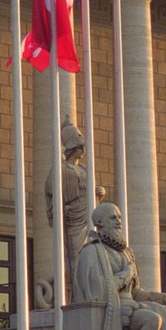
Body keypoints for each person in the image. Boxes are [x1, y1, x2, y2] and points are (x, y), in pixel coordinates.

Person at [74, 202, 166, 330]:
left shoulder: (126, 253)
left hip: (134, 306)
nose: (119, 222)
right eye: (113, 218)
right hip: (113, 309)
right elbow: (97, 293)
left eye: (120, 217)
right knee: (152, 320)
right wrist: (126, 274)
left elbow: (136, 293)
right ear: (99, 222)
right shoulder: (91, 251)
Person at [46, 121, 103, 292]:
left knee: (91, 255)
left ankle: (85, 290)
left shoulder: (85, 169)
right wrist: (60, 209)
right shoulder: (61, 169)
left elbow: (88, 194)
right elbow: (51, 190)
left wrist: (97, 195)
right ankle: (74, 291)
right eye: (79, 147)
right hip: (73, 219)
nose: (83, 151)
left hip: (87, 217)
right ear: (71, 147)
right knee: (76, 258)